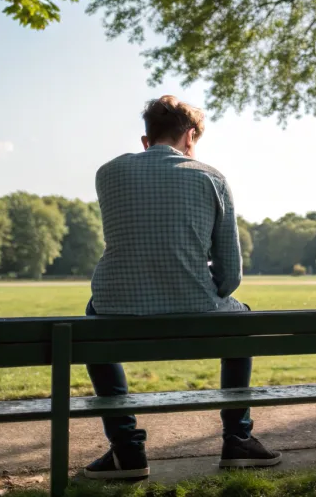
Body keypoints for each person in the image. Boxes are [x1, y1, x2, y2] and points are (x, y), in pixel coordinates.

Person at [84, 95, 281, 480]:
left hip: (116, 307)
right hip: (195, 305)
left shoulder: (107, 173)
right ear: (190, 137)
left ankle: (126, 449)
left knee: (91, 320)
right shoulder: (211, 177)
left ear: (146, 140)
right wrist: (210, 288)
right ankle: (237, 440)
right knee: (242, 321)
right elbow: (230, 272)